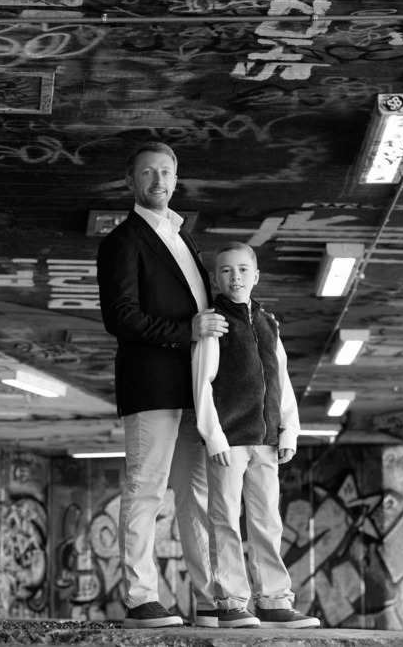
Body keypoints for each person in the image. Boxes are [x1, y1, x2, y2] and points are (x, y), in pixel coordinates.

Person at [96, 141, 229, 629]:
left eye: (166, 172)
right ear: (130, 181)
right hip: (151, 385)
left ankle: (210, 598)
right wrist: (186, 332)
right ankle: (140, 597)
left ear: (177, 179)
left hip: (195, 387)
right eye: (148, 172)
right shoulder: (122, 241)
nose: (158, 181)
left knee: (195, 498)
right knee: (145, 489)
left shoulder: (182, 235)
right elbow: (121, 317)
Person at [193, 241, 320, 629]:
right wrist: (213, 437)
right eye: (227, 271)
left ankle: (273, 600)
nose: (236, 277)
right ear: (216, 278)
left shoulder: (268, 322)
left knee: (268, 522)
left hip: (265, 442)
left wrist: (289, 430)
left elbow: (280, 378)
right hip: (229, 441)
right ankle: (232, 602)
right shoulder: (214, 321)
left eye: (243, 270)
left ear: (256, 276)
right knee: (226, 522)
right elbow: (202, 382)